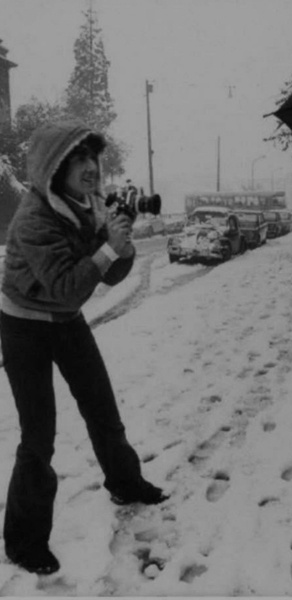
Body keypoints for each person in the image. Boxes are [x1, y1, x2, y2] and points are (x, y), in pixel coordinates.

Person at [1, 120, 168, 576]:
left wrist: (121, 241)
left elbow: (107, 276)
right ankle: (23, 542)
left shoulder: (89, 206)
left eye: (93, 158)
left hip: (66, 319)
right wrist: (106, 249)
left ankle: (125, 483)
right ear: (56, 168)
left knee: (102, 408)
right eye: (79, 159)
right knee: (39, 437)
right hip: (24, 325)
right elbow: (68, 288)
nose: (91, 168)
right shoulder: (34, 218)